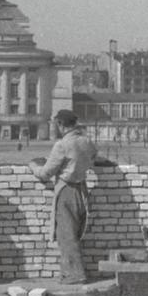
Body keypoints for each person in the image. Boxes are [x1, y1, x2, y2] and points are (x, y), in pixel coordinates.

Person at [28, 109, 97, 285]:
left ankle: (75, 275)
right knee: (75, 232)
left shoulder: (62, 144)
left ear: (61, 124)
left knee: (66, 234)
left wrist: (33, 166)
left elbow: (45, 173)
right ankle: (69, 273)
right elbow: (93, 157)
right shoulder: (86, 141)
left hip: (66, 191)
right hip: (82, 190)